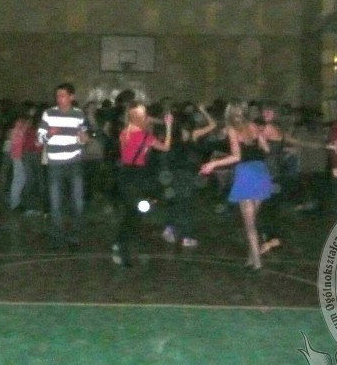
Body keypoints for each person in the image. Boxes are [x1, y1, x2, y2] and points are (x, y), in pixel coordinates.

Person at [200, 100, 272, 271]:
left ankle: (257, 263)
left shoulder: (232, 129)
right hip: (261, 171)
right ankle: (251, 258)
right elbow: (267, 149)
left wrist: (213, 164)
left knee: (249, 224)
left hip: (246, 173)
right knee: (253, 220)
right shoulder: (253, 126)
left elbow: (236, 156)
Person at [112, 101, 173, 267]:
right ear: (136, 116)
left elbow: (140, 124)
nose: (146, 116)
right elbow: (166, 147)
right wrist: (168, 126)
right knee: (134, 214)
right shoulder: (144, 137)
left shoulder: (125, 132)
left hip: (126, 175)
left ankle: (121, 243)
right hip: (136, 176)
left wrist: (158, 121)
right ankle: (122, 249)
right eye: (143, 113)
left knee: (133, 213)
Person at [37, 83, 88, 249]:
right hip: (55, 164)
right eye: (57, 96)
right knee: (55, 202)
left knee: (78, 202)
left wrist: (83, 138)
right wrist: (49, 134)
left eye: (63, 95)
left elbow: (83, 136)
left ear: (71, 97)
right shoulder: (49, 113)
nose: (59, 99)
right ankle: (57, 236)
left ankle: (74, 234)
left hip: (74, 162)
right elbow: (39, 139)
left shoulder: (79, 114)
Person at [162, 102, 216, 247]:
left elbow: (213, 125)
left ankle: (172, 229)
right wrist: (168, 126)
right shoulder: (186, 136)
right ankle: (183, 235)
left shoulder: (191, 135)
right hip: (182, 174)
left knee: (180, 203)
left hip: (184, 174)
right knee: (184, 204)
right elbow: (166, 148)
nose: (185, 132)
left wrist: (203, 111)